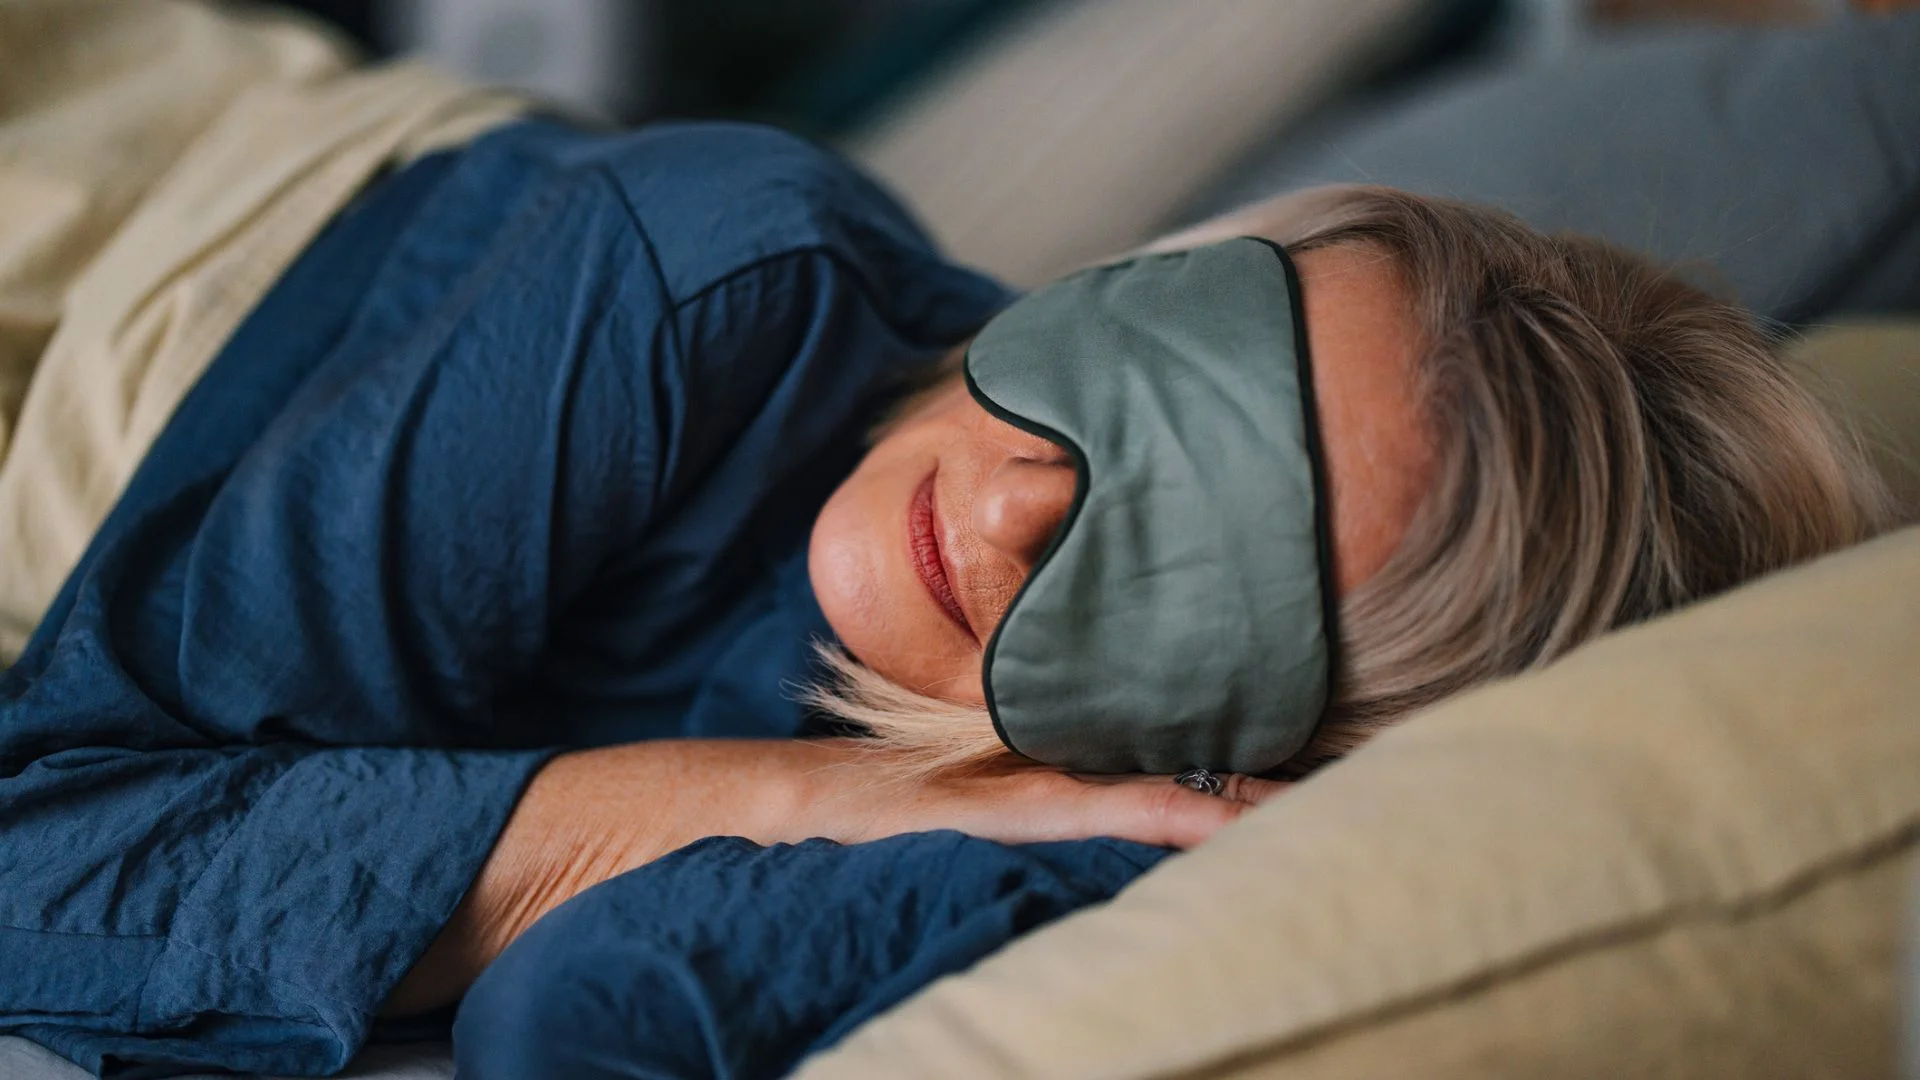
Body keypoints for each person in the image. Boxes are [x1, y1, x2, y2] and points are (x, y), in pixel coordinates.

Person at [0, 107, 1892, 1080]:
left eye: (1180, 558)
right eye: (1157, 365)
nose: (1011, 488)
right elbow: (35, 852)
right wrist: (784, 791)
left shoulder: (1107, 808)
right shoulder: (707, 277)